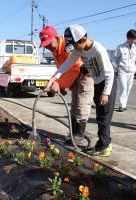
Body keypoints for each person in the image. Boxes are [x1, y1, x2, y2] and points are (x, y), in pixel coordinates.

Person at [46, 24, 116, 157]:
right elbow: (67, 64)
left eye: (75, 45)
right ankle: (101, 144)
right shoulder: (79, 50)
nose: (75, 49)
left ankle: (105, 146)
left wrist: (106, 93)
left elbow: (110, 72)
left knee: (104, 117)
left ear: (83, 39)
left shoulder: (98, 49)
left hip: (108, 83)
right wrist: (54, 77)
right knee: (100, 116)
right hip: (97, 82)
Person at [39, 26, 94, 143]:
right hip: (73, 78)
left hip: (84, 74)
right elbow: (61, 68)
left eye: (49, 44)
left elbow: (73, 69)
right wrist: (56, 83)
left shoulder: (67, 46)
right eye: (45, 45)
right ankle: (74, 133)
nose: (48, 47)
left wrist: (60, 84)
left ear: (56, 37)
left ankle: (79, 134)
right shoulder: (55, 50)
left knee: (82, 104)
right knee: (74, 106)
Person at [112, 29, 136, 112]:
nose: (133, 40)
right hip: (122, 71)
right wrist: (117, 68)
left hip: (131, 72)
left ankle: (124, 105)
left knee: (128, 88)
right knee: (123, 87)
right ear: (128, 38)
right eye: (132, 38)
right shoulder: (121, 47)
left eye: (135, 38)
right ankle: (121, 106)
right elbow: (114, 59)